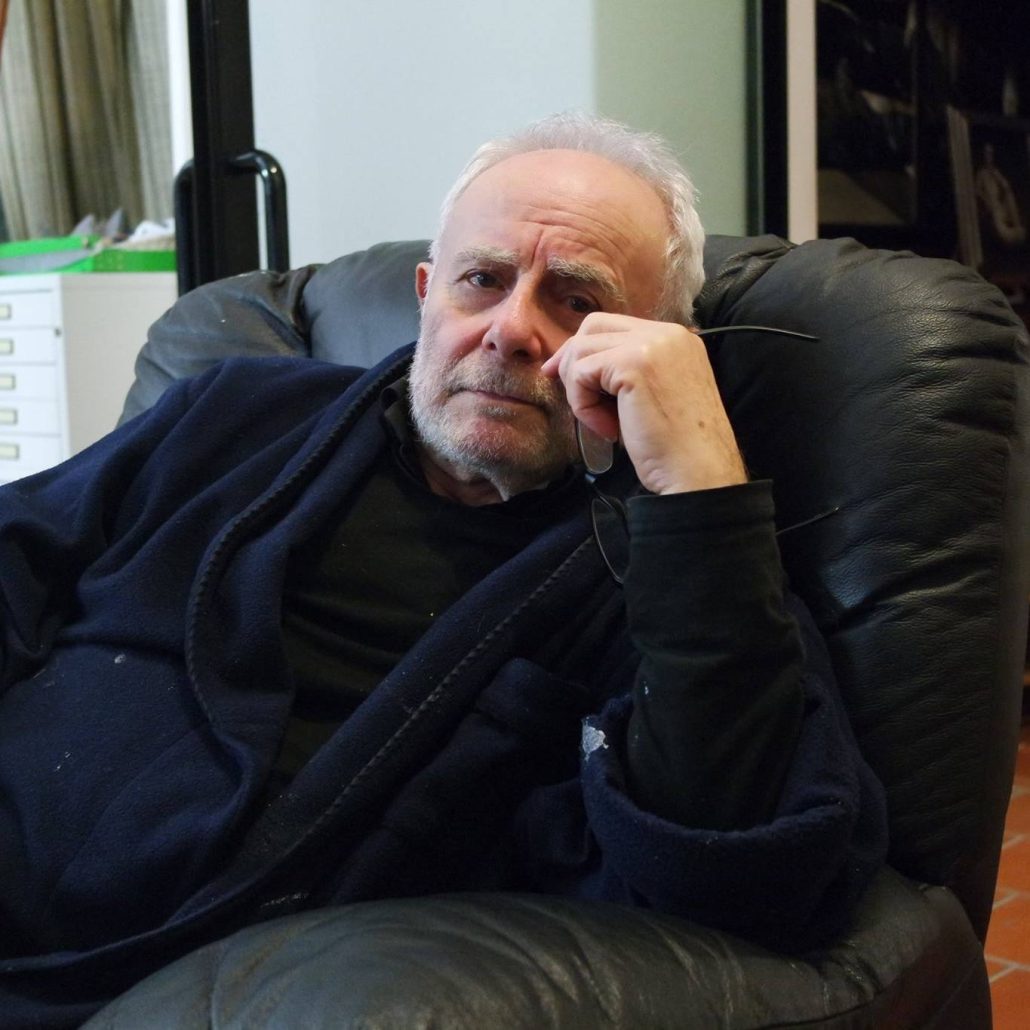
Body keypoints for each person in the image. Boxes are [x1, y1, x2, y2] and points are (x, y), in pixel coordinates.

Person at [0, 113, 886, 1025]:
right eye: (483, 281)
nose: (512, 330)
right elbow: (20, 551)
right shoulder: (235, 411)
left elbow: (746, 864)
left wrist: (697, 492)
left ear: (656, 352)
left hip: (135, 980)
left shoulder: (657, 564)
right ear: (427, 295)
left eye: (575, 301)